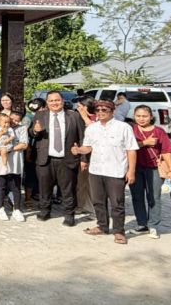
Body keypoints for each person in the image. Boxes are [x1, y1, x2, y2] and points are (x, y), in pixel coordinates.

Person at [75, 99, 138, 244]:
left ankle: (119, 231)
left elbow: (131, 150)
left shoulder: (123, 127)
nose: (101, 113)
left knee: (117, 203)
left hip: (115, 170)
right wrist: (79, 150)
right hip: (96, 170)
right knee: (98, 201)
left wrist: (131, 171)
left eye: (105, 110)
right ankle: (102, 226)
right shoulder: (92, 128)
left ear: (112, 111)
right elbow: (88, 147)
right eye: (98, 110)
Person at [30, 90, 84, 226]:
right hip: (45, 158)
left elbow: (82, 138)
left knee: (68, 189)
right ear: (47, 103)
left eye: (57, 100)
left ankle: (69, 214)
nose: (54, 103)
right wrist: (35, 131)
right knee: (44, 188)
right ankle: (44, 211)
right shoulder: (40, 115)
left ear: (62, 101)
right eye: (51, 101)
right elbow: (31, 133)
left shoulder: (73, 116)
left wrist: (83, 158)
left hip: (67, 159)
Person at [129, 105, 171, 239]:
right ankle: (142, 224)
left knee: (154, 197)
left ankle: (153, 225)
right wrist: (145, 142)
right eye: (138, 116)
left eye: (144, 116)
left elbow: (166, 151)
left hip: (154, 168)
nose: (141, 119)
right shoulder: (130, 130)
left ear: (151, 117)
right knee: (137, 196)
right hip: (135, 168)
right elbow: (126, 147)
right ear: (134, 116)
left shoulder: (159, 131)